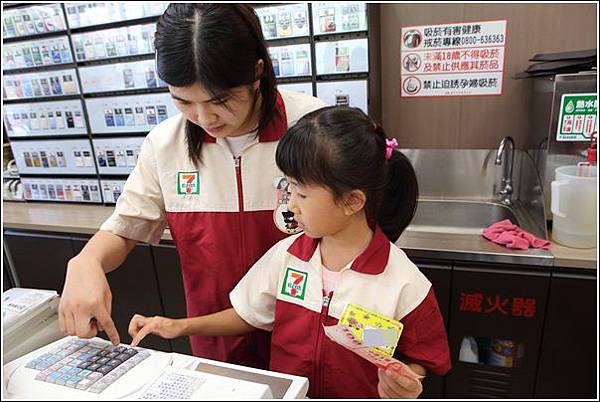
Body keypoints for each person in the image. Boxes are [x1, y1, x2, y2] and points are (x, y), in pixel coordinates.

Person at [58, 4, 327, 370]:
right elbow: (127, 225)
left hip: (307, 334)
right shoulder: (165, 145)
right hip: (215, 338)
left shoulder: (313, 127)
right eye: (184, 102)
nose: (204, 118)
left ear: (256, 72)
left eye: (220, 101)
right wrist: (86, 261)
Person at [127, 106, 452, 398]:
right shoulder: (288, 256)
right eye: (289, 188)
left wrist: (407, 381)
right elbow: (248, 312)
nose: (290, 204)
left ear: (352, 201)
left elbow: (422, 359)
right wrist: (181, 326)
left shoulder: (404, 282)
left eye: (302, 194)